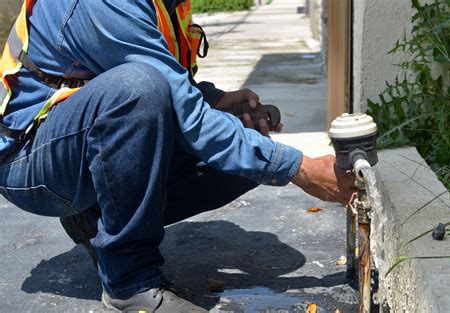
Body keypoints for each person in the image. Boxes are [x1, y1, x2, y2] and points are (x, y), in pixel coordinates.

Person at [0, 0, 357, 311]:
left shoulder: (167, 4)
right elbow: (157, 100)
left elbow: (172, 89)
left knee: (241, 134)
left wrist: (215, 100)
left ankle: (95, 217)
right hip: (29, 162)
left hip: (73, 143)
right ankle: (130, 284)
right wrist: (303, 169)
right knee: (138, 89)